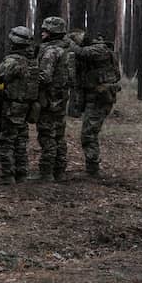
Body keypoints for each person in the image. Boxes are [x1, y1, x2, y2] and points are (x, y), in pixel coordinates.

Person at [70, 30, 121, 176]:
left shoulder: (99, 48)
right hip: (96, 98)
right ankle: (92, 167)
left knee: (88, 134)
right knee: (89, 133)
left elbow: (81, 52)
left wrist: (68, 42)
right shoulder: (94, 50)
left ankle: (93, 168)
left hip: (100, 99)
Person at [0, 26, 38, 184]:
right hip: (26, 107)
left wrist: (0, 89)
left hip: (11, 107)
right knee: (21, 141)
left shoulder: (12, 61)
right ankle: (22, 173)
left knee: (7, 142)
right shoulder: (32, 61)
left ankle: (7, 175)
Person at [36, 16, 73, 182]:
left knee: (47, 135)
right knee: (59, 135)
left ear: (53, 32)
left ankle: (47, 172)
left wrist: (30, 75)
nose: (42, 33)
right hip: (61, 98)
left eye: (45, 30)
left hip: (49, 99)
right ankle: (60, 170)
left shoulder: (51, 51)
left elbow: (44, 77)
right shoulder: (67, 50)